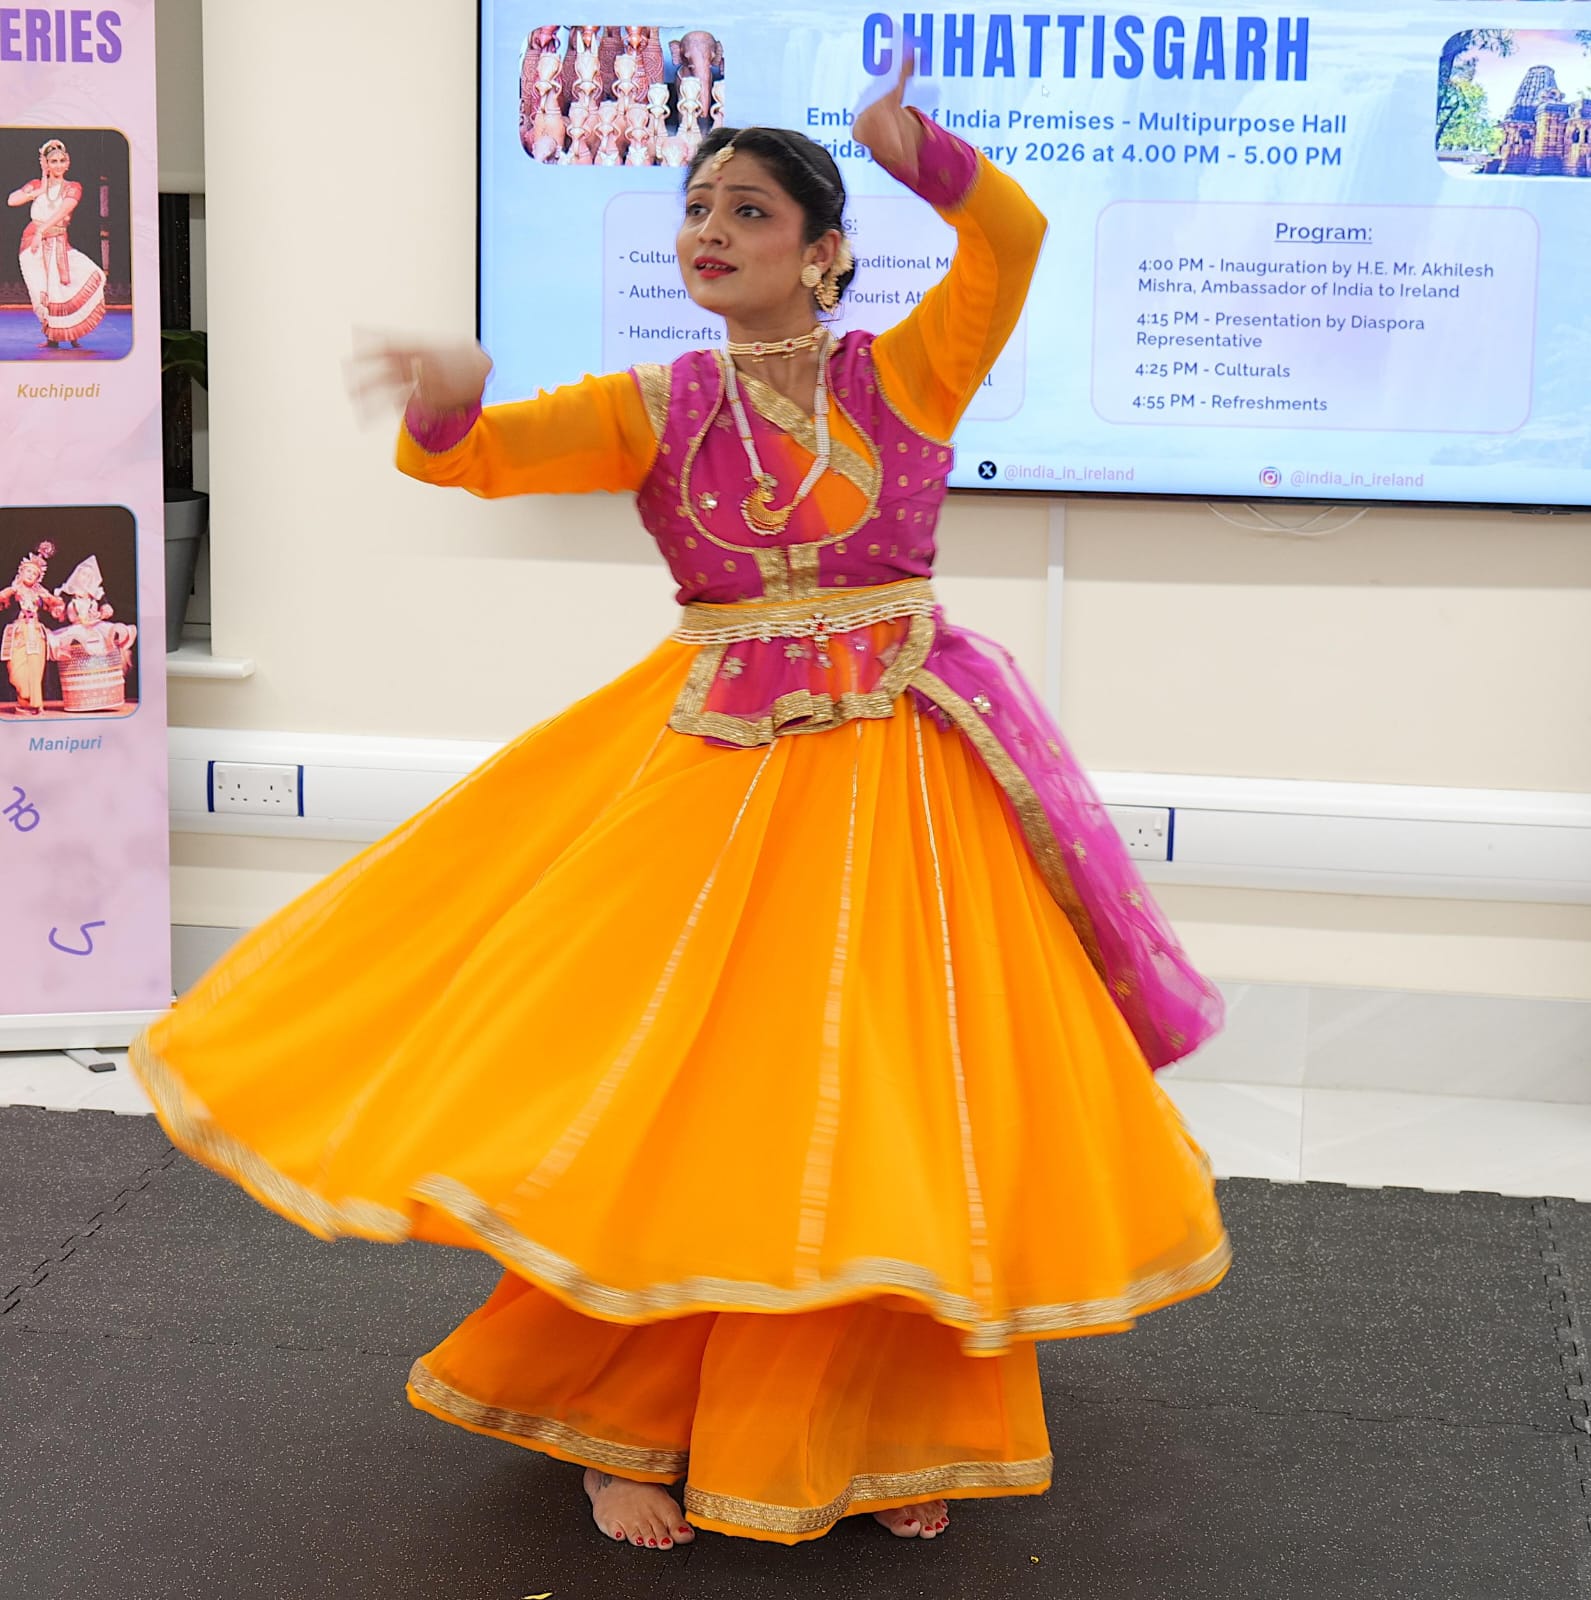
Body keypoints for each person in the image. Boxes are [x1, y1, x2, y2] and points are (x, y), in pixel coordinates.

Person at [131, 63, 1230, 1551]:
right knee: (692, 1102)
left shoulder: (904, 375)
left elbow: (1013, 240)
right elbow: (481, 458)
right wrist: (449, 401)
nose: (709, 230)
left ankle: (879, 1421)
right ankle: (618, 1424)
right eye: (697, 207)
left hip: (904, 783)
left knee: (896, 1097)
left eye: (749, 211)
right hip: (716, 789)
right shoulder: (658, 405)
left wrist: (919, 151)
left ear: (822, 250)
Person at [6, 139, 107, 350]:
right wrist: (39, 191)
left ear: (68, 163)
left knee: (68, 286)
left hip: (57, 242)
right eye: (53, 161)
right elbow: (12, 200)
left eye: (62, 160)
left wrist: (41, 231)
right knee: (41, 291)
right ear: (46, 164)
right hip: (31, 246)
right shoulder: (36, 185)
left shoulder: (73, 187)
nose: (58, 165)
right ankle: (52, 337)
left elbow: (63, 211)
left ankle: (71, 332)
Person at [0, 539, 66, 714]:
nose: (30, 575)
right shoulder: (12, 591)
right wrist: (10, 591)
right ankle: (25, 698)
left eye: (34, 573)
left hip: (35, 633)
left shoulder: (40, 593)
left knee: (35, 671)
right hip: (18, 633)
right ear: (21, 572)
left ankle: (34, 704)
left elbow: (58, 608)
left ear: (38, 578)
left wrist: (51, 601)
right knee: (16, 674)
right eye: (28, 571)